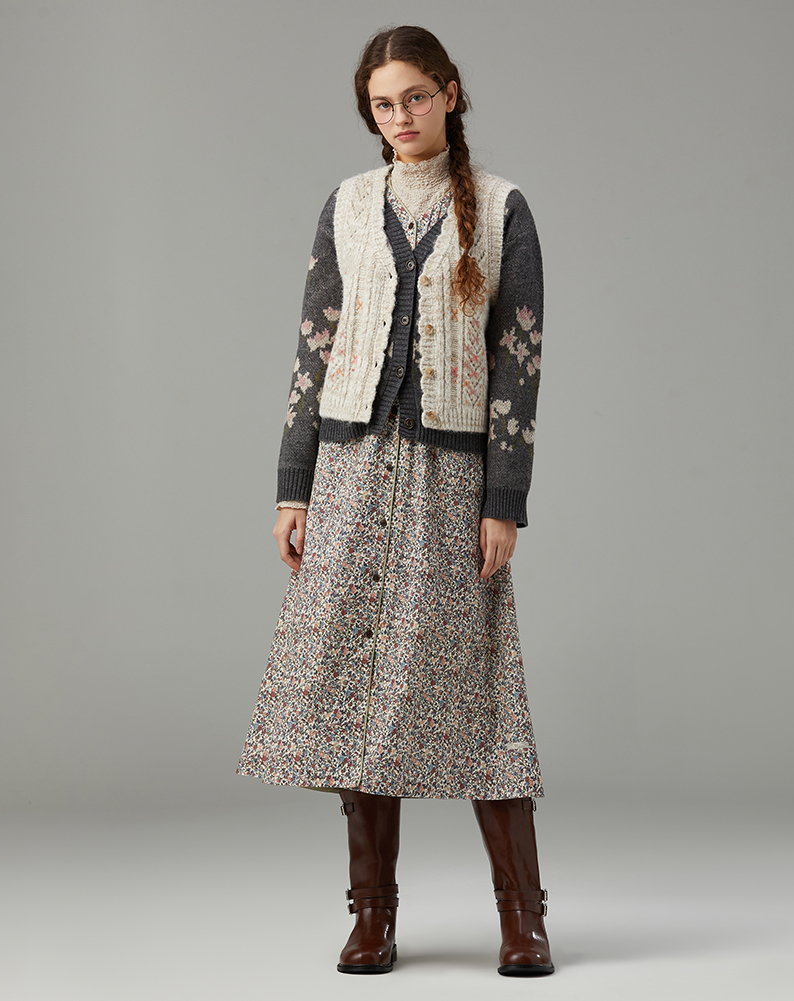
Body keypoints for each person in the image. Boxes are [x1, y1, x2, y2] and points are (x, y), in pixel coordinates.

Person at [237, 24, 552, 977]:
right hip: (349, 469)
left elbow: (518, 364)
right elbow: (313, 350)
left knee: (476, 684)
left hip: (451, 479)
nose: (400, 116)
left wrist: (503, 499)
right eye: (383, 103)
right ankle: (371, 915)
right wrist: (293, 487)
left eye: (415, 96)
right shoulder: (344, 205)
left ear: (450, 93)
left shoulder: (501, 209)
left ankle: (523, 917)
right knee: (353, 693)